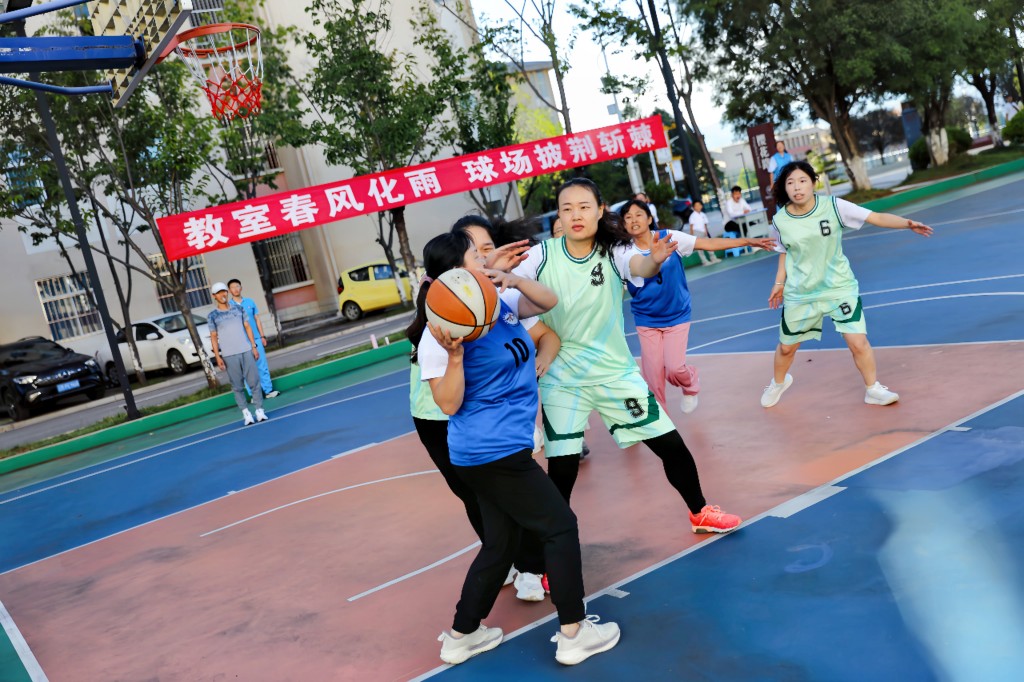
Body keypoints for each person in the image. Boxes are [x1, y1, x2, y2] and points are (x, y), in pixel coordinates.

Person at [417, 230, 620, 666]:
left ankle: (462, 635)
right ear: (455, 274)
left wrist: (511, 278)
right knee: (559, 527)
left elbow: (548, 301)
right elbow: (448, 403)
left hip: (499, 448)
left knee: (500, 543)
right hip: (491, 452)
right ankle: (573, 631)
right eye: (476, 256)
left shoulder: (497, 303)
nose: (485, 259)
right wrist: (456, 358)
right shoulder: (441, 332)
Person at [513, 177, 742, 535]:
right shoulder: (541, 256)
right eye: (567, 208)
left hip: (615, 374)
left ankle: (700, 512)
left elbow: (640, 267)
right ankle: (550, 545)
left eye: (584, 207)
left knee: (671, 445)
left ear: (600, 210)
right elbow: (505, 295)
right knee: (562, 471)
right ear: (558, 215)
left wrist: (655, 261)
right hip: (563, 380)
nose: (576, 215)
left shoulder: (614, 250)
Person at [760, 161, 933, 408]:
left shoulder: (833, 206)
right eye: (790, 183)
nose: (797, 187)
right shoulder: (780, 221)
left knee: (858, 342)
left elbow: (875, 217)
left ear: (813, 183)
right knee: (787, 348)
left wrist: (906, 223)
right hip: (802, 292)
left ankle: (873, 389)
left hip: (839, 287)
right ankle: (778, 383)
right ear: (784, 188)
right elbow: (784, 251)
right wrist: (779, 282)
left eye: (802, 181)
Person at [620, 199, 775, 414]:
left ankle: (690, 383)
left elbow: (708, 244)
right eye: (628, 217)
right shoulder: (622, 251)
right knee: (653, 376)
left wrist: (748, 241)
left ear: (649, 218)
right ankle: (662, 425)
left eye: (638, 215)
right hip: (646, 319)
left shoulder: (669, 237)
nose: (633, 220)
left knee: (674, 369)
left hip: (676, 315)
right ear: (624, 224)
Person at [208, 282, 267, 425]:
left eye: (224, 291)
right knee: (237, 386)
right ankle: (246, 413)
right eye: (219, 293)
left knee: (254, 382)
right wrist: (218, 356)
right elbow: (214, 337)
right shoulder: (212, 316)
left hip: (246, 350)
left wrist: (253, 346)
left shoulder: (239, 309)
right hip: (229, 355)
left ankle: (259, 410)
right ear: (214, 296)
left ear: (227, 292)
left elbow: (248, 327)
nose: (222, 294)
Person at [227, 278, 279, 399]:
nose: (236, 289)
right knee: (247, 370)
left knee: (262, 365)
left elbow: (257, 319)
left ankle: (268, 390)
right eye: (233, 287)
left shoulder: (250, 302)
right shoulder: (229, 307)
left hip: (256, 339)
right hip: (241, 343)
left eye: (237, 286)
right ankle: (253, 395)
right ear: (229, 290)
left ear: (241, 288)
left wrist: (262, 336)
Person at [687, 200, 721, 266]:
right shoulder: (692, 216)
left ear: (701, 206)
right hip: (696, 233)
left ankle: (713, 258)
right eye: (696, 206)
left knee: (709, 245)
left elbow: (705, 224)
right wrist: (692, 236)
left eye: (699, 205)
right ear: (693, 207)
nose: (698, 207)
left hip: (704, 232)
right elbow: (691, 226)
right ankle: (704, 261)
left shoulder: (703, 214)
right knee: (700, 248)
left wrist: (706, 231)